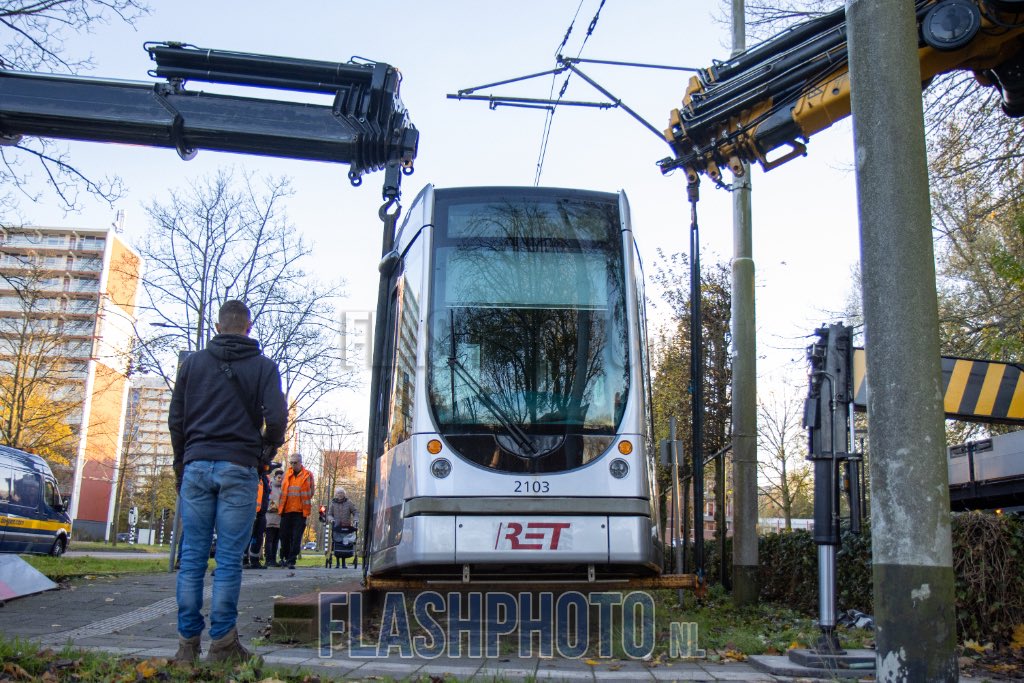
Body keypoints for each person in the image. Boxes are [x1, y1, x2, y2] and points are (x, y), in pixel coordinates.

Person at [169, 300, 287, 665]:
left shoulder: (193, 365)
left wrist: (182, 462)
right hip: (239, 467)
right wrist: (265, 452)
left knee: (191, 558)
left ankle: (187, 645)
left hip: (197, 465)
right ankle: (222, 644)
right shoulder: (265, 368)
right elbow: (278, 417)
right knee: (230, 561)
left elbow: (177, 419)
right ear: (248, 328)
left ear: (218, 327)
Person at [279, 452, 314, 569]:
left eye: (295, 463)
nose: (293, 465)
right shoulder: (286, 474)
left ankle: (291, 560)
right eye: (291, 463)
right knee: (284, 536)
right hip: (286, 510)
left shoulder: (308, 475)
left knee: (296, 537)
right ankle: (284, 557)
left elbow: (311, 491)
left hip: (300, 511)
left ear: (300, 463)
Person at [243, 465, 273, 569]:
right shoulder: (252, 474)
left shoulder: (265, 478)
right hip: (250, 511)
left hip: (261, 512)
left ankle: (255, 560)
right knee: (247, 536)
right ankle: (244, 560)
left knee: (258, 537)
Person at [326, 486, 359, 569]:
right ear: (336, 494)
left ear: (344, 494)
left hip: (346, 527)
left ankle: (343, 563)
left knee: (345, 544)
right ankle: (337, 563)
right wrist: (331, 520)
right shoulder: (333, 504)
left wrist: (355, 520)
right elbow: (329, 514)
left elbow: (355, 512)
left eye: (341, 493)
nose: (340, 495)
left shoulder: (349, 502)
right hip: (336, 526)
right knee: (337, 543)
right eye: (338, 493)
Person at [263, 467, 285, 567]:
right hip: (270, 517)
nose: (280, 480)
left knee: (276, 540)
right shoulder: (270, 486)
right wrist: (270, 507)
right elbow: (265, 499)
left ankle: (273, 559)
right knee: (269, 539)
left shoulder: (283, 488)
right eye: (279, 477)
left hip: (279, 519)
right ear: (275, 477)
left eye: (282, 478)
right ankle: (268, 559)